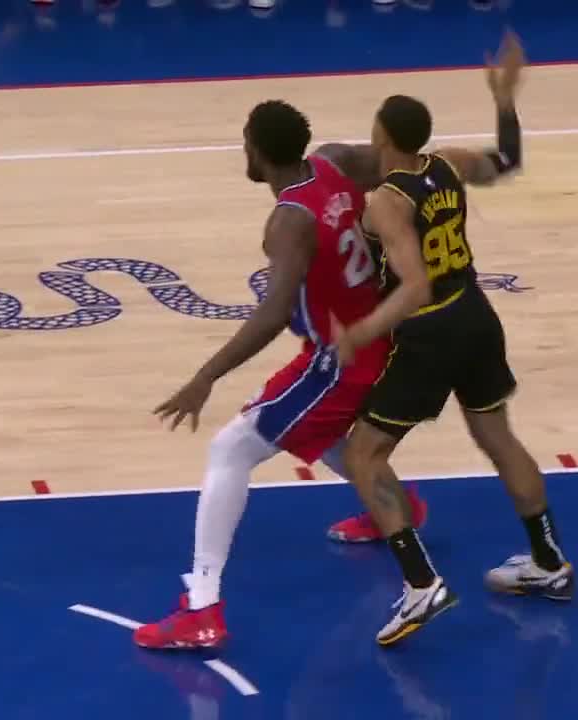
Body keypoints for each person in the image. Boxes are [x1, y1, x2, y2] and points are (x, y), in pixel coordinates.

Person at [332, 32, 577, 627]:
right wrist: (504, 98)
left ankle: (421, 583)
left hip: (431, 332)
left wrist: (362, 333)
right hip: (476, 315)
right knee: (498, 437)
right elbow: (508, 161)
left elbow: (413, 285)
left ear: (381, 136)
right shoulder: (449, 166)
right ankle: (548, 561)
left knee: (364, 453)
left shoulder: (385, 203)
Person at [133, 99, 395, 650]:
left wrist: (205, 377)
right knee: (306, 430)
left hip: (341, 359)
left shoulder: (289, 223)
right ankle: (393, 506)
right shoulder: (336, 161)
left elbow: (273, 313)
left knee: (231, 450)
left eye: (245, 140)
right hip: (364, 339)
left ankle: (201, 608)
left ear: (257, 152)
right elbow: (403, 161)